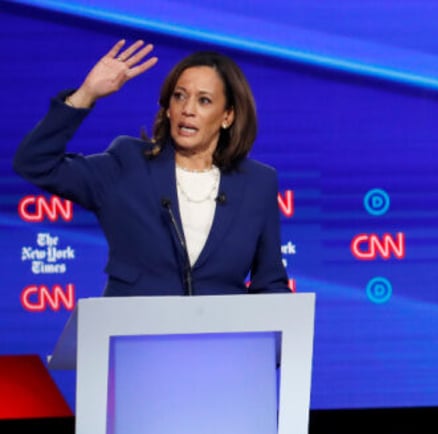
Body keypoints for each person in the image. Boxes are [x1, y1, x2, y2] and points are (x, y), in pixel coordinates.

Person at [14, 39, 291, 296]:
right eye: (179, 96)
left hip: (220, 341)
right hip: (131, 338)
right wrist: (86, 94)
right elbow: (36, 163)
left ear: (227, 116)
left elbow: (270, 282)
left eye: (204, 100)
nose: (188, 109)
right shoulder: (127, 164)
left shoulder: (258, 182)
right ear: (168, 108)